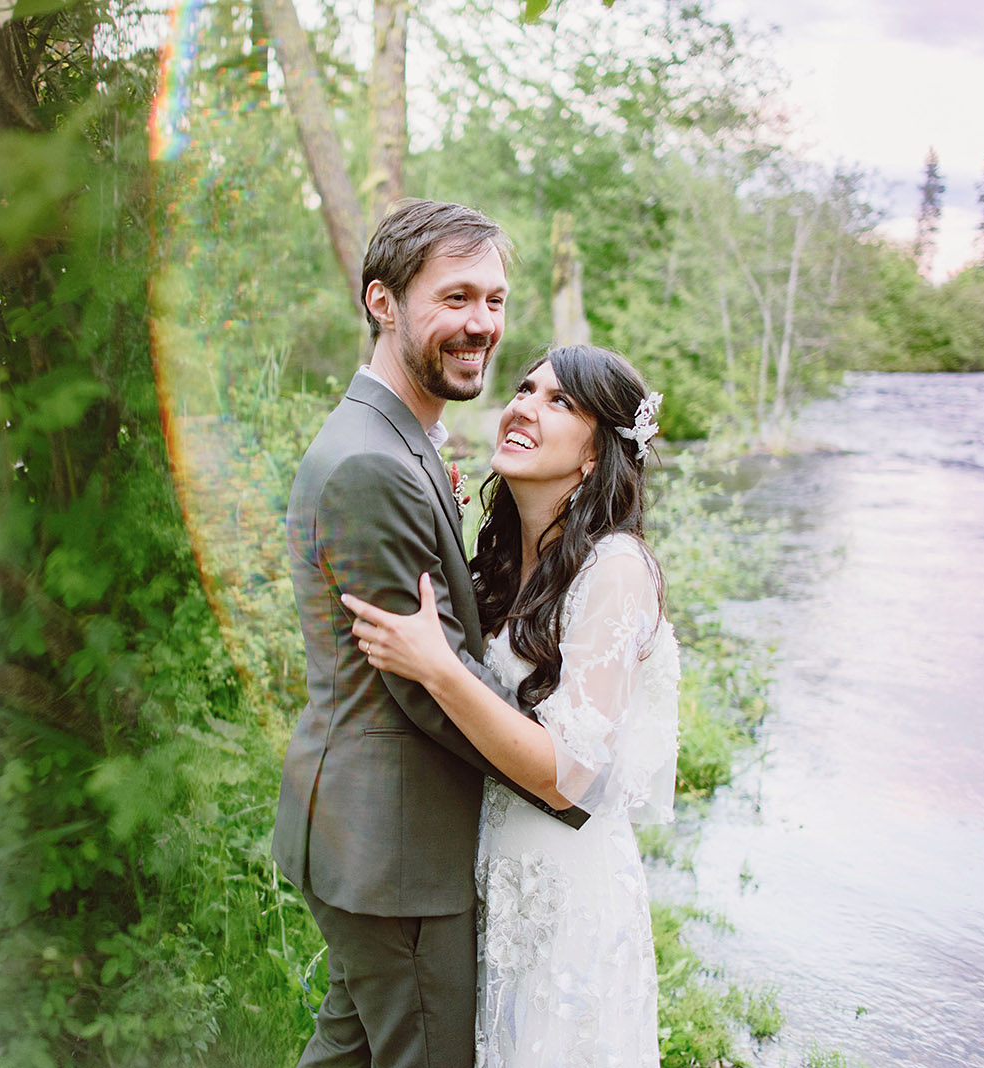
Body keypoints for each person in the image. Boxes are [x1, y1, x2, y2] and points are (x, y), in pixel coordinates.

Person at [272, 198, 586, 1068]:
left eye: (493, 300)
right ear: (384, 303)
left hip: (377, 842)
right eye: (455, 298)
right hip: (396, 849)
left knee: (349, 1054)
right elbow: (426, 681)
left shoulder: (398, 438)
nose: (481, 322)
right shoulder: (374, 460)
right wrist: (557, 772)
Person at [343, 345, 680, 1067]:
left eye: (560, 401)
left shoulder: (616, 570)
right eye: (525, 388)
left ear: (596, 456)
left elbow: (572, 775)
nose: (525, 405)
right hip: (488, 881)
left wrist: (438, 670)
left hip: (565, 901)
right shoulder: (502, 560)